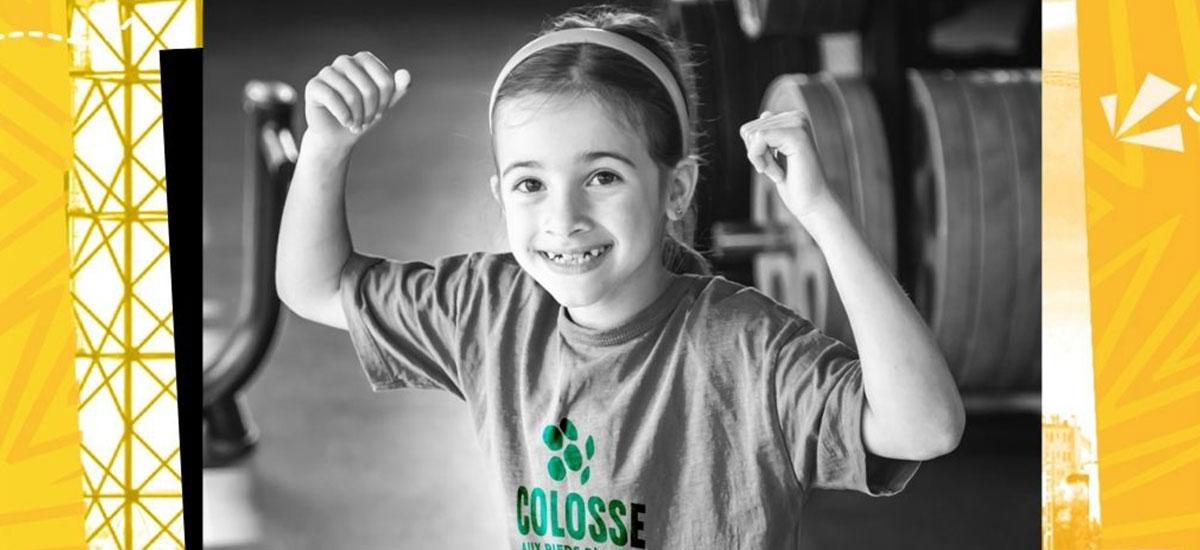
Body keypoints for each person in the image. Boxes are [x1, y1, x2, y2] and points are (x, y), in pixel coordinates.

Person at [276, 5, 964, 547]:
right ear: (498, 196)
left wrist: (818, 210)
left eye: (602, 176)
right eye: (529, 184)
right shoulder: (489, 308)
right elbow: (316, 287)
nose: (563, 217)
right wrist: (325, 150)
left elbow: (924, 427)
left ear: (676, 190)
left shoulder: (743, 346)